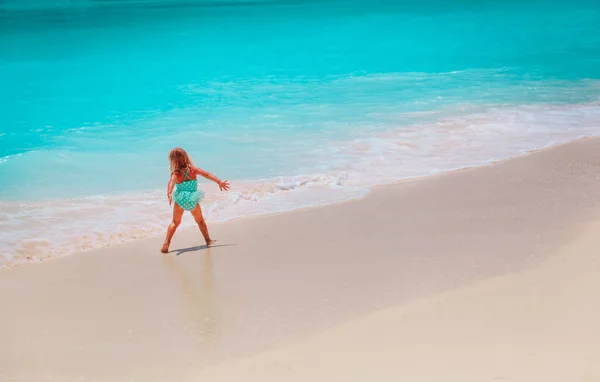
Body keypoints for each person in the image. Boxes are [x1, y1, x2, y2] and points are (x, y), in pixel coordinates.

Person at [161, 147, 230, 253]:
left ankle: (166, 243)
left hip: (180, 200)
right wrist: (219, 181)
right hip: (192, 200)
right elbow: (207, 175)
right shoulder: (193, 170)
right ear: (186, 157)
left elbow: (171, 182)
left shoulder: (176, 173)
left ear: (172, 161)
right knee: (200, 221)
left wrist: (169, 193)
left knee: (175, 222)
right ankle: (208, 240)